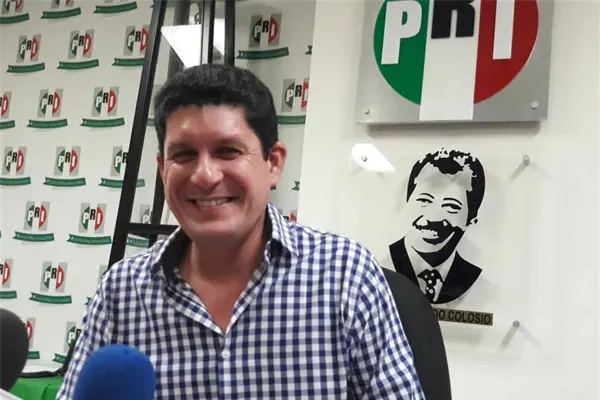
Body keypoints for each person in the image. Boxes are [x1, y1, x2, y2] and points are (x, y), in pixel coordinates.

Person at [57, 64, 425, 399]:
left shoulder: (345, 276)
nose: (205, 175)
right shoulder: (122, 292)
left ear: (273, 163)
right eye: (183, 155)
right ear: (162, 169)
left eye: (228, 151)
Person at [389, 148, 485, 304]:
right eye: (424, 200)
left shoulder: (481, 286)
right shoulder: (379, 269)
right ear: (408, 202)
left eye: (451, 206)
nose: (433, 218)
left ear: (471, 218)